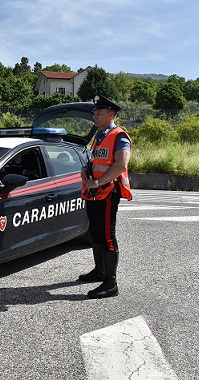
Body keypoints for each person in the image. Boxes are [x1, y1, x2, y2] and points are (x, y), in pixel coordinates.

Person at [78, 94, 133, 299]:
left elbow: (121, 165)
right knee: (96, 233)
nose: (95, 115)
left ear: (111, 114)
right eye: (94, 112)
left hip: (108, 192)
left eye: (98, 112)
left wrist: (98, 182)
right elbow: (95, 160)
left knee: (108, 236)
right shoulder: (99, 136)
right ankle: (99, 271)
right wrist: (86, 169)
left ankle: (110, 283)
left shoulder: (119, 136)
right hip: (94, 193)